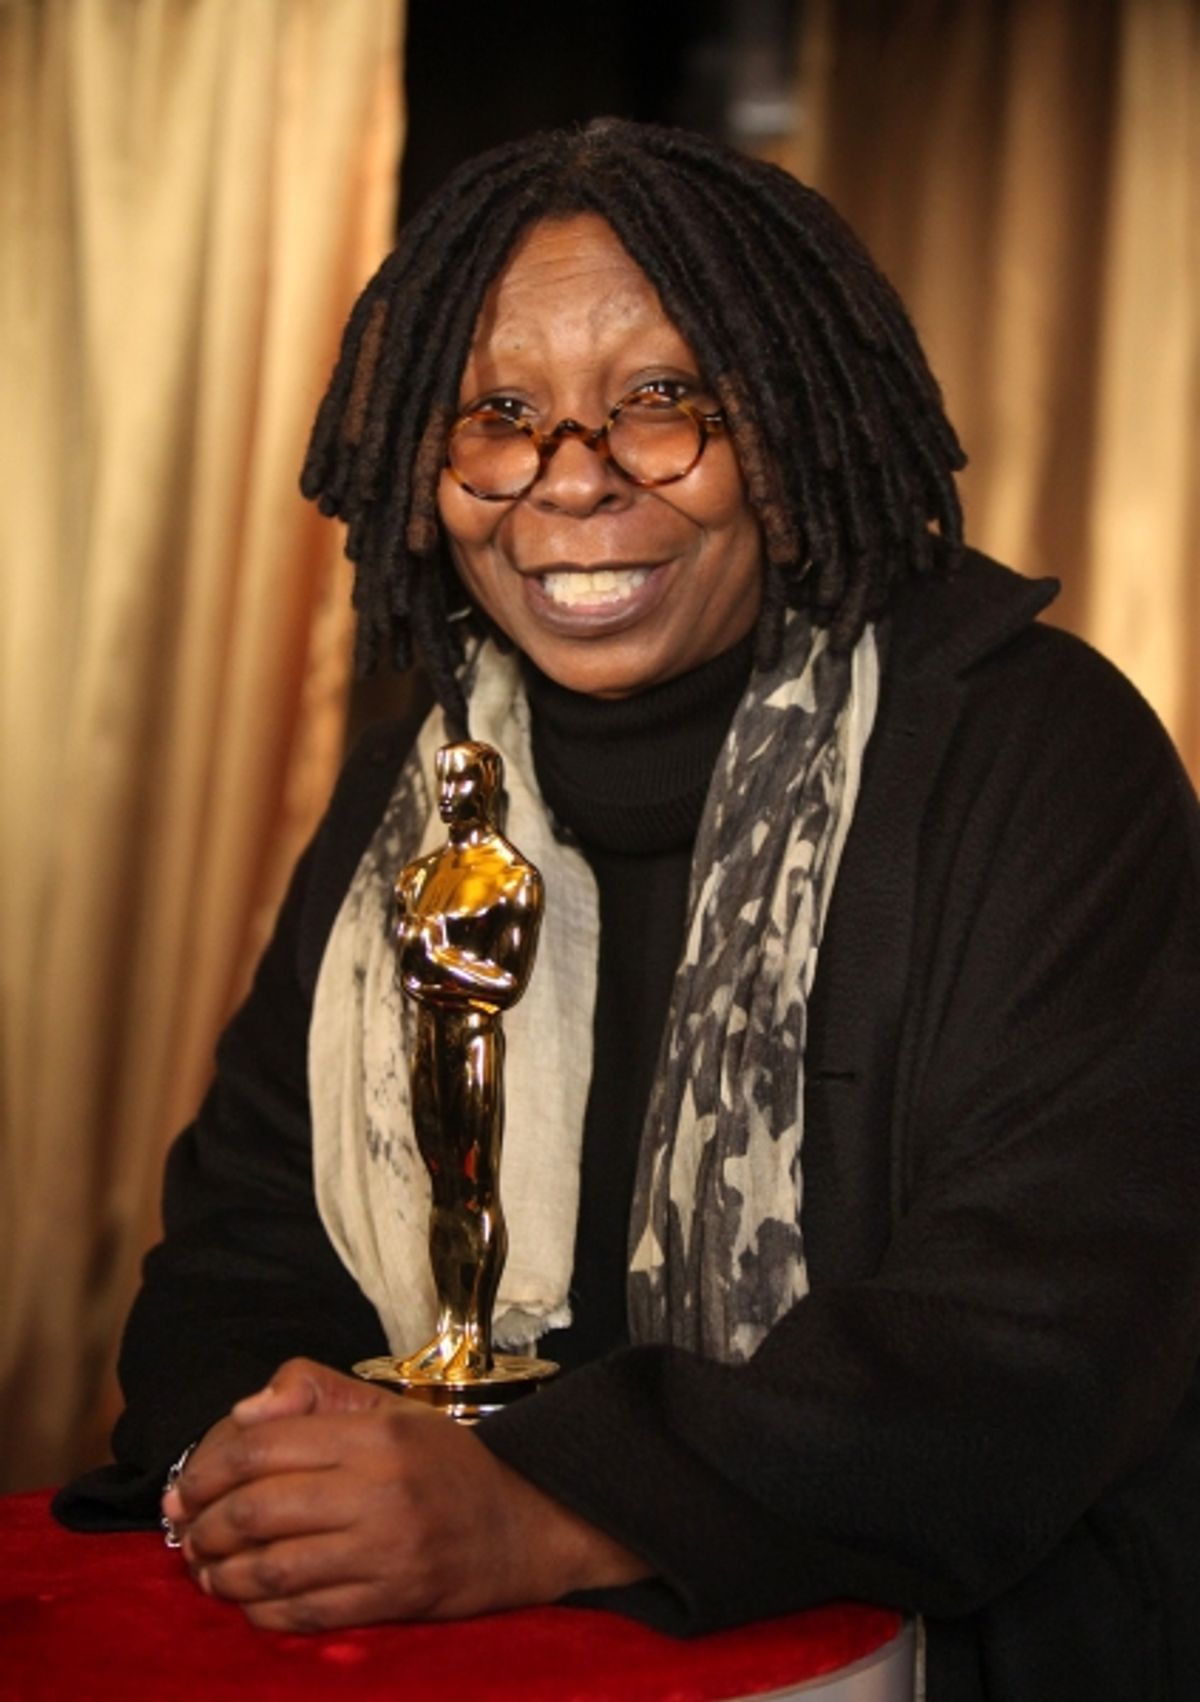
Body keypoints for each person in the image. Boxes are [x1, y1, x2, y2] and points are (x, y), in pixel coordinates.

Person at [56, 119, 1200, 1701]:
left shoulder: (1037, 750)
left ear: (792, 426)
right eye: (498, 416)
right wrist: (285, 1476)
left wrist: (542, 1507)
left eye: (663, 404)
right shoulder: (419, 781)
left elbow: (1039, 1332)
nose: (572, 481)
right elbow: (247, 1239)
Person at [392, 739, 543, 1382]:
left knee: (473, 1189)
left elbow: (505, 982)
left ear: (487, 786)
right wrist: (429, 962)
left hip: (475, 1039)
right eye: (443, 781)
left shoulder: (512, 877)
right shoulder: (420, 875)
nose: (449, 794)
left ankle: (474, 1337)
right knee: (439, 1189)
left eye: (462, 782)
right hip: (430, 1039)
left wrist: (435, 954)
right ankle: (448, 1327)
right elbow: (409, 972)